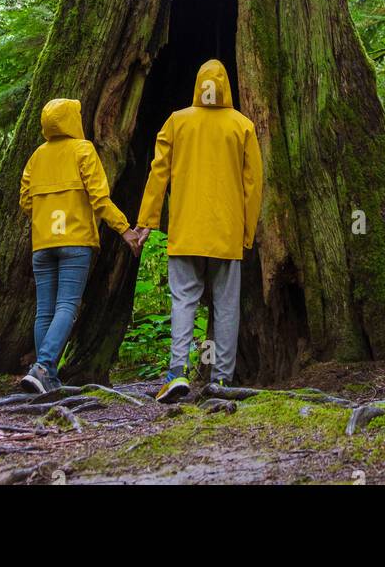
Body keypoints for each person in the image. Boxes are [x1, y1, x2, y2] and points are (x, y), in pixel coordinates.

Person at [134, 58, 263, 402]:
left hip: (186, 231)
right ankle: (221, 379)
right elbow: (254, 185)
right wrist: (247, 233)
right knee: (225, 306)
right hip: (226, 234)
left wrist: (146, 222)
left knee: (183, 301)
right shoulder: (242, 126)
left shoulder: (177, 122)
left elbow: (157, 173)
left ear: (197, 85)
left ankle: (177, 372)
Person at [19, 96, 140, 393]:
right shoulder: (83, 150)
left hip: (43, 243)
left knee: (44, 311)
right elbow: (100, 199)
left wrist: (49, 212)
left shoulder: (37, 157)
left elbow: (25, 202)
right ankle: (45, 366)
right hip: (75, 241)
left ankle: (47, 377)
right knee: (67, 306)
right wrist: (125, 230)